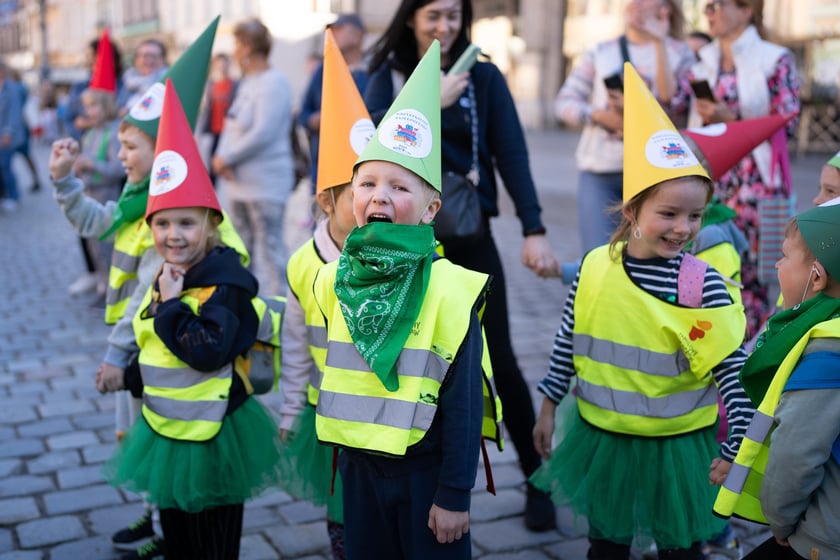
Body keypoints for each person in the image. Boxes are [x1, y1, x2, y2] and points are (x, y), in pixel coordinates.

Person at [530, 63, 754, 560]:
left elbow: (731, 368)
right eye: (668, 214)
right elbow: (569, 339)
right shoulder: (594, 266)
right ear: (632, 210)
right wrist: (547, 404)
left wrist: (738, 438)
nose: (683, 228)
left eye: (694, 215)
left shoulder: (704, 284)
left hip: (675, 444)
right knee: (605, 544)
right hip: (603, 435)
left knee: (680, 545)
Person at [363, 0, 560, 531]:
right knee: (406, 359)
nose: (445, 25)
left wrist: (534, 228)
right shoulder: (386, 76)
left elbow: (510, 153)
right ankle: (402, 482)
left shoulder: (484, 76)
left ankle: (535, 476)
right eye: (433, 15)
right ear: (410, 18)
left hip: (469, 237)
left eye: (454, 15)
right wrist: (428, 102)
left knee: (498, 358)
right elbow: (366, 148)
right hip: (401, 247)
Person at [47, 19, 240, 560]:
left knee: (155, 437)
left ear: (164, 155)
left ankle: (164, 523)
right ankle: (158, 515)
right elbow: (94, 220)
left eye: (131, 146)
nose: (122, 155)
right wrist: (65, 181)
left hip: (156, 347)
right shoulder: (136, 202)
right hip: (136, 340)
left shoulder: (170, 220)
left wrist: (116, 350)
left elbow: (146, 295)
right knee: (141, 438)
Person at [313, 40, 497, 560]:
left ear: (430, 207)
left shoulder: (449, 288)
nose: (379, 196)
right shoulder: (333, 279)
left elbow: (462, 403)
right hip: (359, 466)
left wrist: (454, 494)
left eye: (399, 186)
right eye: (367, 182)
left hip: (426, 469)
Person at [97, 77, 283, 560]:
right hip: (168, 428)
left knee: (213, 542)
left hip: (216, 433)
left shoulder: (227, 285)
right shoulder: (164, 274)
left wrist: (171, 307)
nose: (173, 235)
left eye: (186, 223)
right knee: (179, 535)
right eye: (162, 223)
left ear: (212, 225)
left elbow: (205, 350)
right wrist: (126, 372)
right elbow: (157, 348)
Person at [278, 28, 376, 560]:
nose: (373, 202)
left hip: (391, 416)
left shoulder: (405, 255)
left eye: (382, 187)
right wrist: (292, 410)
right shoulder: (302, 265)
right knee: (342, 521)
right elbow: (295, 343)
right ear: (325, 200)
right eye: (359, 190)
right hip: (331, 415)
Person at [715, 203, 840, 560]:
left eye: (785, 257)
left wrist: (781, 521)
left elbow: (796, 456)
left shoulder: (827, 353)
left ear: (816, 277)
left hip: (823, 538)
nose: (776, 265)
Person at [680, 0, 801, 338]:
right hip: (713, 183)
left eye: (717, 5)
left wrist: (730, 120)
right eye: (706, 7)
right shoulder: (700, 63)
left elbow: (787, 123)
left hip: (761, 184)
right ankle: (721, 349)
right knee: (715, 268)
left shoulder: (775, 58)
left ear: (746, 10)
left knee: (764, 276)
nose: (709, 13)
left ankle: (756, 358)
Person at [555, 0, 695, 253]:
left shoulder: (681, 53)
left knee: (648, 259)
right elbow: (564, 103)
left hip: (656, 176)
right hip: (601, 170)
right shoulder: (601, 51)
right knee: (599, 254)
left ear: (666, 8)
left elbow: (676, 105)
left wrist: (660, 42)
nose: (635, 4)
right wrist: (599, 115)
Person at [212, 18, 294, 297]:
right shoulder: (249, 82)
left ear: (247, 47)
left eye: (236, 44)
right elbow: (233, 124)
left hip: (266, 184)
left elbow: (264, 132)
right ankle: (244, 303)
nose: (234, 50)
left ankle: (282, 305)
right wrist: (222, 157)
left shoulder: (274, 82)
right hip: (239, 183)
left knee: (271, 248)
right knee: (240, 245)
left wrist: (227, 157)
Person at [297, 12, 368, 191]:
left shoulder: (374, 70)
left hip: (362, 168)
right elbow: (303, 112)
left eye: (338, 30)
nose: (331, 35)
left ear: (357, 35)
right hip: (323, 168)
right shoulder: (324, 68)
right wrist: (315, 119)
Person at [63, 34, 126, 142]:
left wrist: (90, 123)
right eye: (89, 56)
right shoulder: (79, 88)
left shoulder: (126, 86)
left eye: (94, 56)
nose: (90, 60)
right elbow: (71, 122)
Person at [198, 53, 236, 185]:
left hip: (228, 130)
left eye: (224, 62)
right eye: (218, 63)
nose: (221, 66)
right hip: (213, 129)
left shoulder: (234, 84)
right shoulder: (211, 85)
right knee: (211, 163)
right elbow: (206, 109)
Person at [0, 60, 26, 211]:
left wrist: (8, 132)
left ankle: (14, 196)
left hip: (7, 137)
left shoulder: (11, 89)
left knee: (6, 165)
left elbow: (14, 113)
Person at [121, 38, 168, 115]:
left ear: (163, 59)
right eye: (144, 56)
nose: (149, 60)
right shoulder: (124, 83)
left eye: (154, 56)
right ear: (136, 59)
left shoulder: (170, 84)